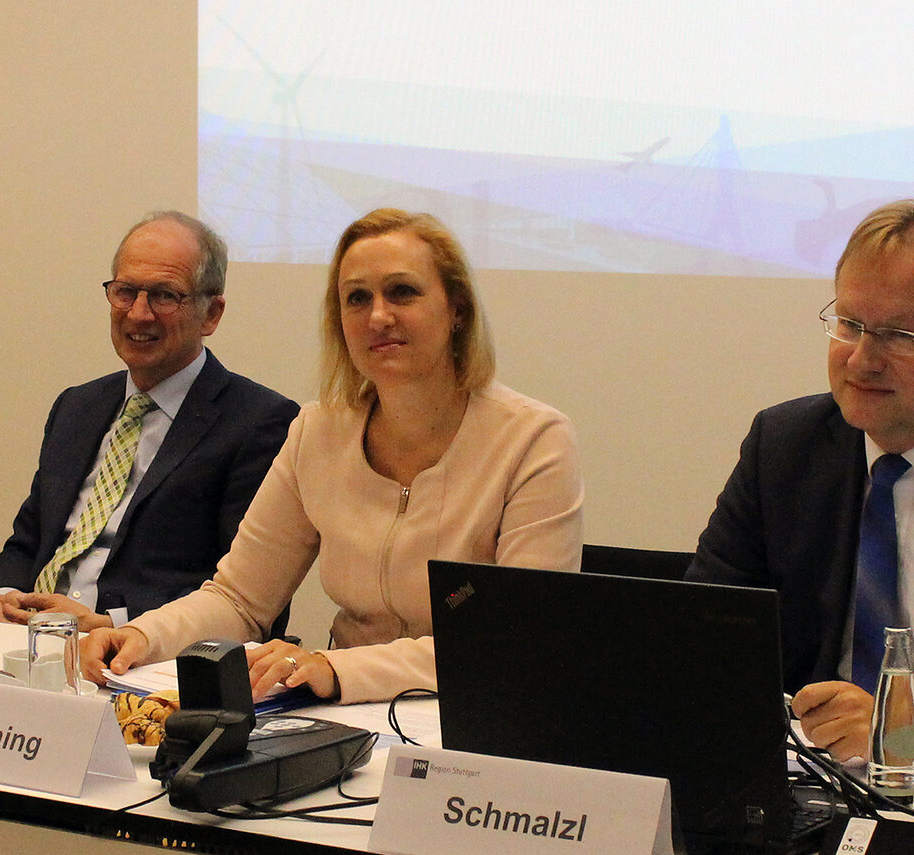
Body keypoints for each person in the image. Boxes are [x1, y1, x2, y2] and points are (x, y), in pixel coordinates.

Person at [80, 208, 584, 703]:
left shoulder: (533, 440)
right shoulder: (316, 431)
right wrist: (144, 637)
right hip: (344, 717)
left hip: (474, 714)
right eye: (357, 298)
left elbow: (515, 643)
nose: (378, 316)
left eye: (402, 292)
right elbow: (239, 599)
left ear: (457, 310)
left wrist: (336, 667)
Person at [0, 212, 298, 630]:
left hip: (140, 656)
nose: (139, 314)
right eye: (126, 291)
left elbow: (251, 597)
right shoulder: (77, 407)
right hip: (27, 640)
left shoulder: (259, 423)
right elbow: (27, 541)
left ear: (211, 314)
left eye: (165, 296)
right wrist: (3, 596)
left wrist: (112, 624)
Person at [688, 200, 914, 762]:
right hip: (811, 784)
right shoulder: (787, 445)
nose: (862, 360)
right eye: (850, 325)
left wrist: (900, 731)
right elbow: (699, 634)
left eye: (898, 334)